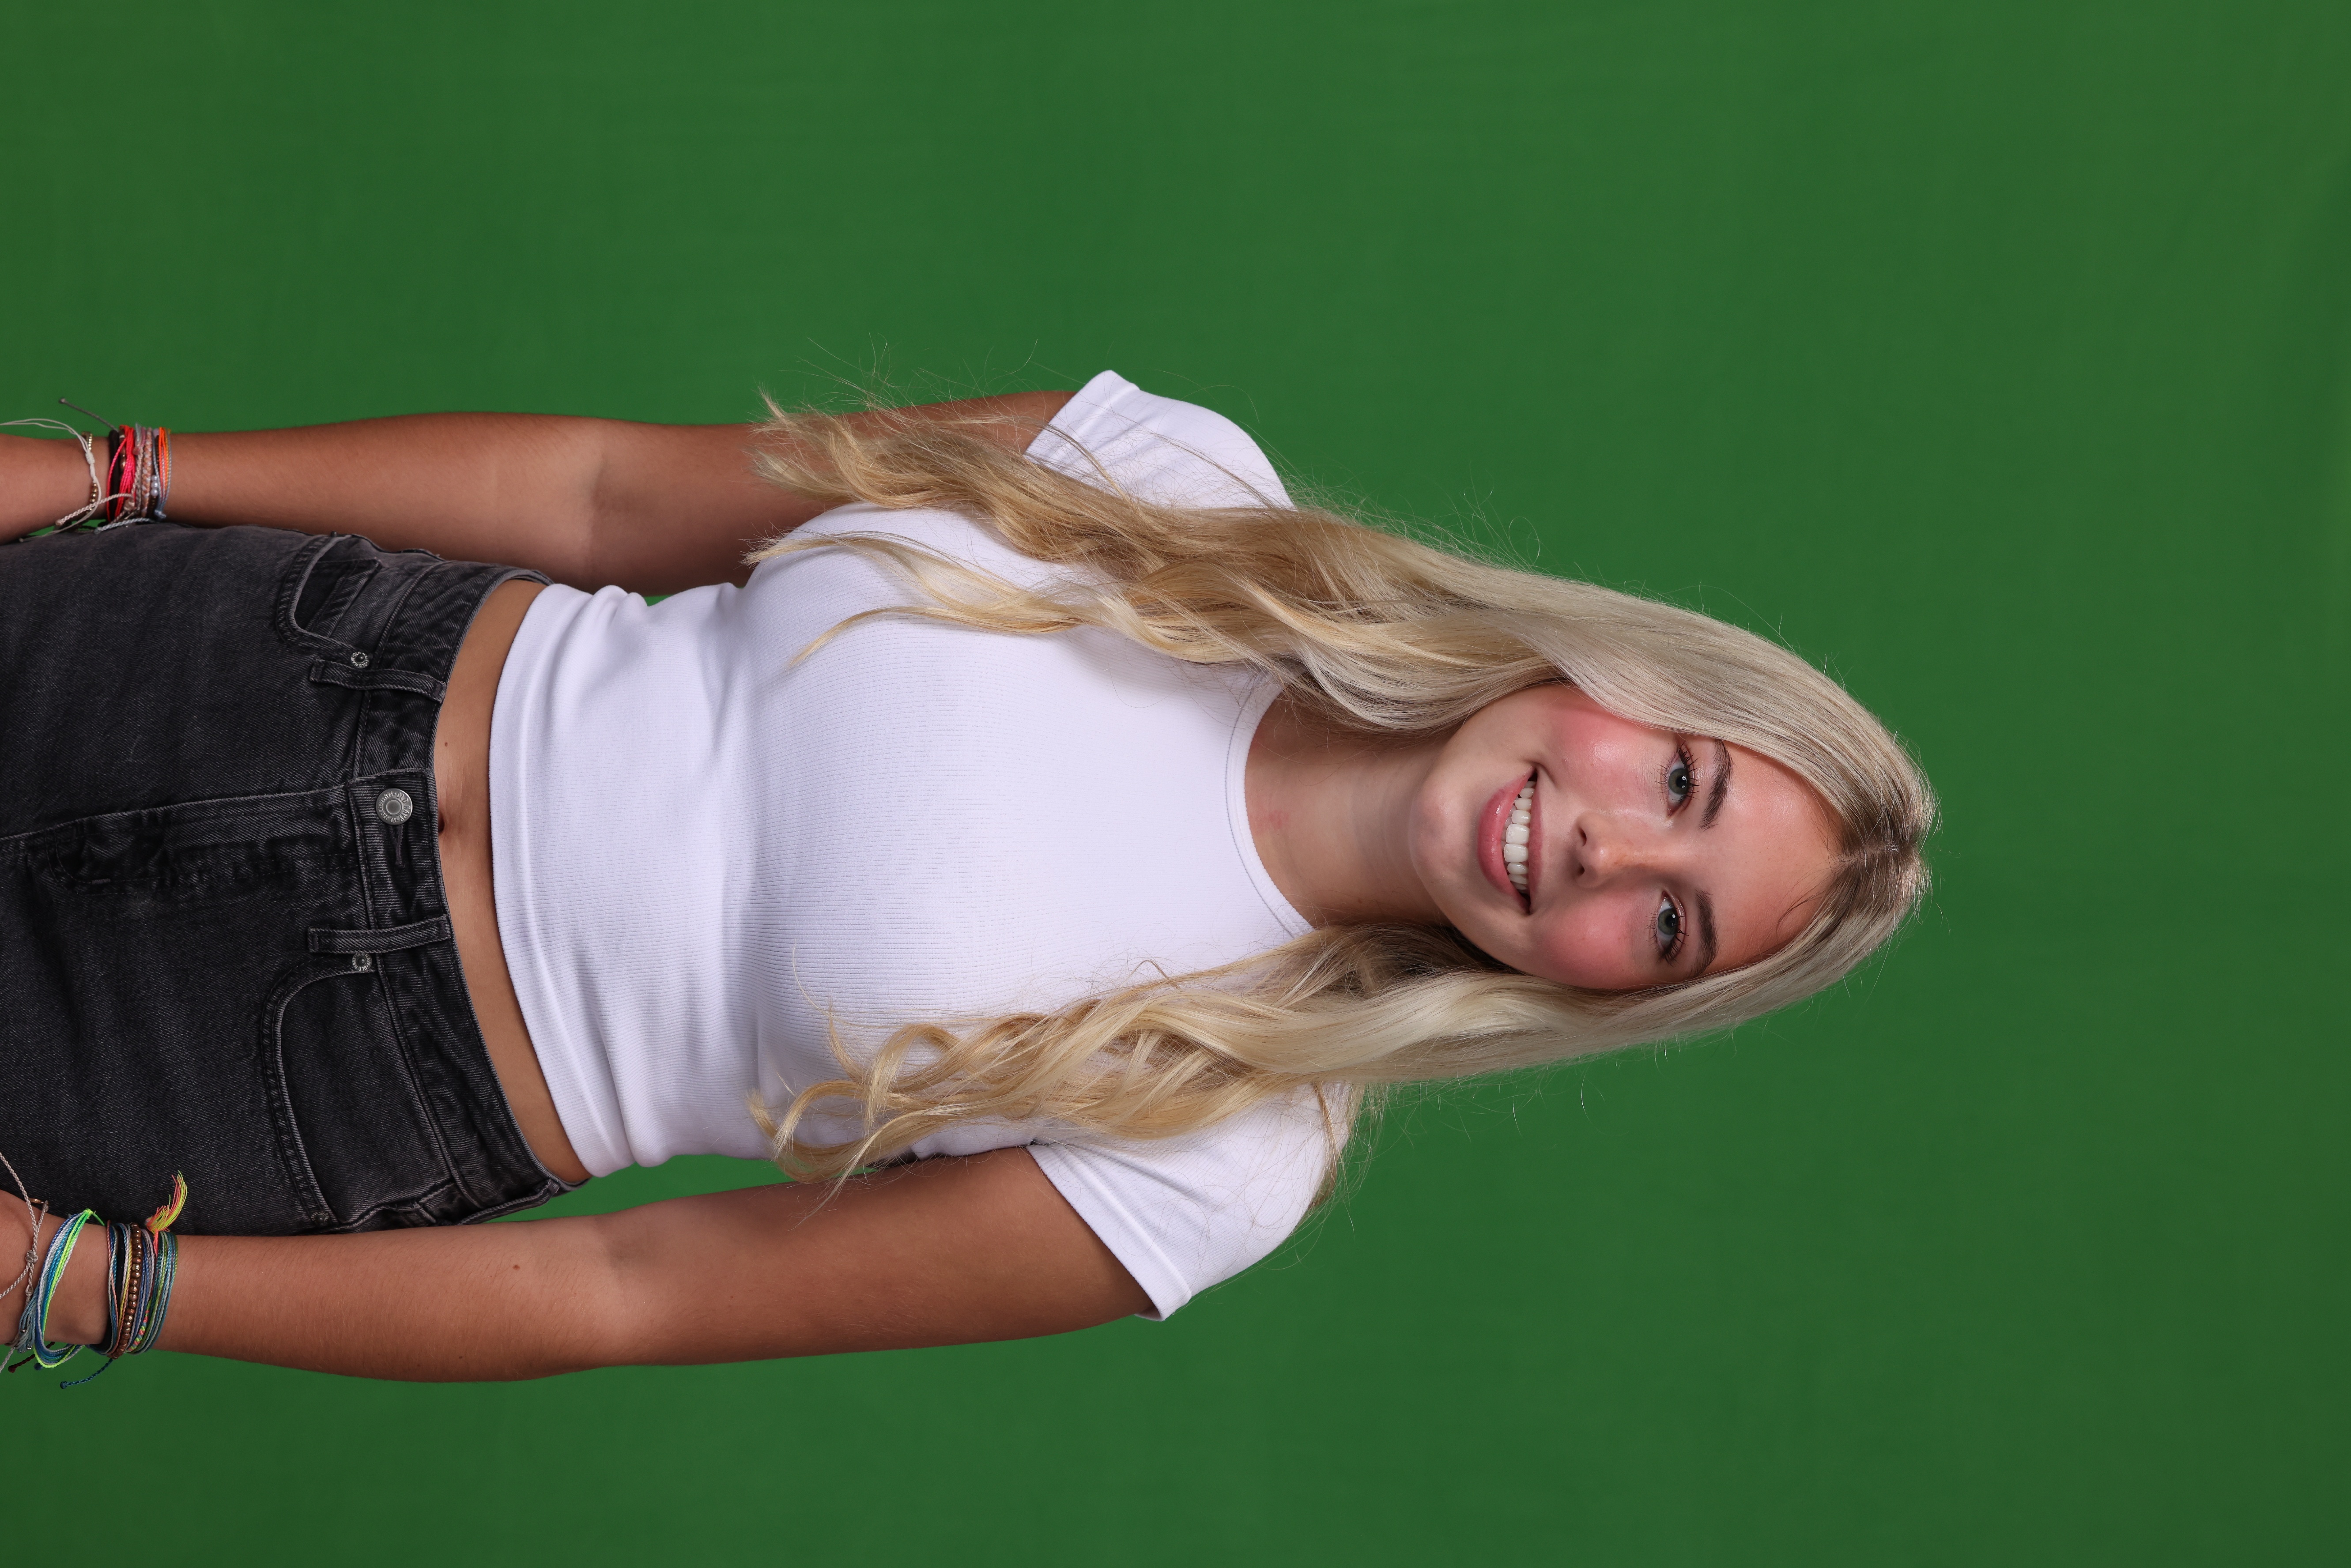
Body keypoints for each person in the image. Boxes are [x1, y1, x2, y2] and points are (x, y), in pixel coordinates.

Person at [0, 373, 1933, 1381]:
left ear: (1610, 988)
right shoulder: (1178, 487)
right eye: (1680, 778)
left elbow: (634, 1289)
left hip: (273, 1073)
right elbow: (608, 491)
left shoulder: (1224, 1158)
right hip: (224, 656)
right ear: (1626, 682)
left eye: (1665, 920)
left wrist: (104, 1290)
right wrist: (115, 473)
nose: (1606, 843)